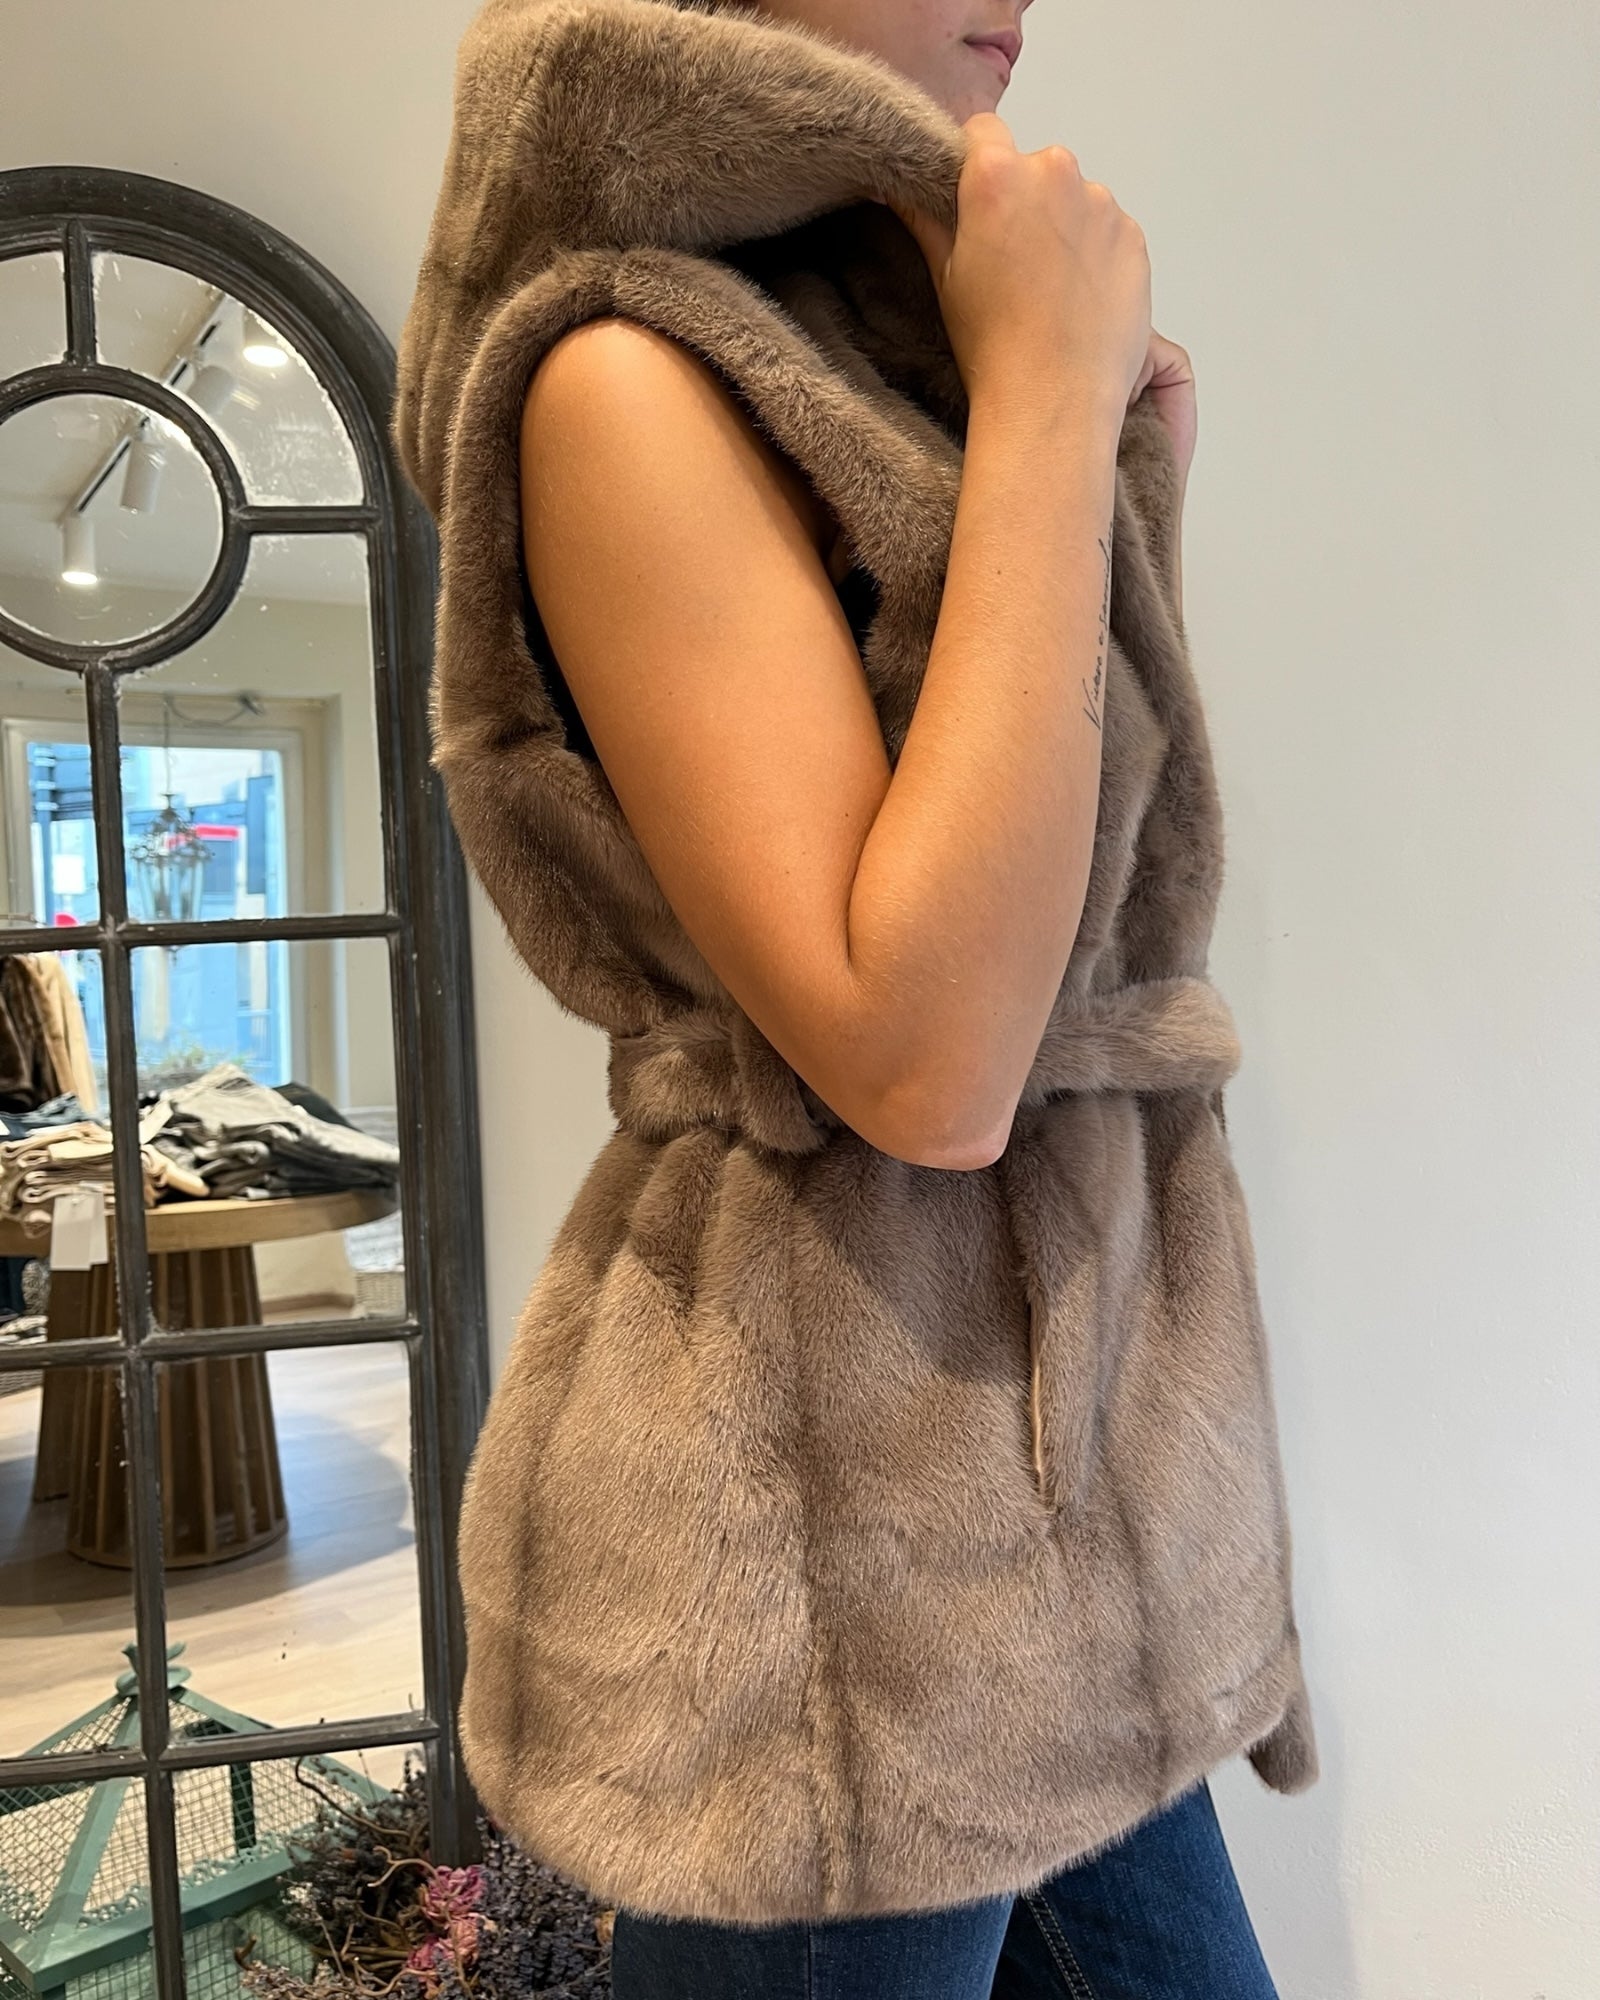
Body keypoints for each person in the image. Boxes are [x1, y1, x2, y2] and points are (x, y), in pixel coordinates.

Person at [397, 0, 1315, 1990]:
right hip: (824, 1595)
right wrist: (1051, 404)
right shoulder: (622, 377)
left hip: (1035, 1509)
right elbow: (928, 1059)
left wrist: (1109, 465)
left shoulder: (869, 360)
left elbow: (1050, 924)